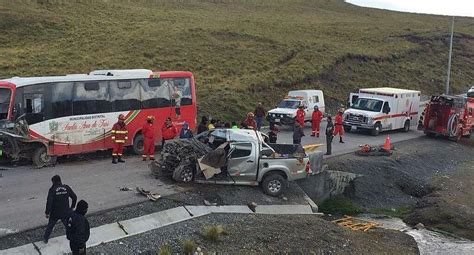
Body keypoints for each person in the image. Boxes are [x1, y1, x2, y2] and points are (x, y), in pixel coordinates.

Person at [44, 175, 77, 244]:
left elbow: (49, 202)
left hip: (55, 213)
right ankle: (72, 237)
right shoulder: (66, 187)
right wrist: (72, 207)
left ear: (53, 182)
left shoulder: (52, 190)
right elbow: (74, 197)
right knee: (68, 226)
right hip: (65, 212)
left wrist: (47, 212)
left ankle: (45, 238)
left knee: (50, 226)